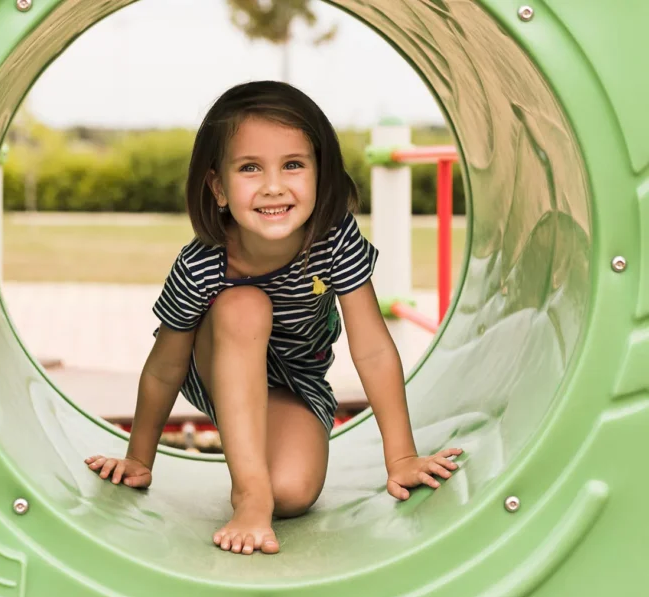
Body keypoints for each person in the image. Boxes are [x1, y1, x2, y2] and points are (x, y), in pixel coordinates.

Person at [85, 80, 462, 556]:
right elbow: (164, 366)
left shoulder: (333, 239)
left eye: (293, 165)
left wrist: (401, 456)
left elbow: (371, 347)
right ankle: (249, 495)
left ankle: (264, 486)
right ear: (218, 188)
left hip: (296, 383)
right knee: (245, 304)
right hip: (215, 361)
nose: (273, 186)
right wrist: (140, 457)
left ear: (320, 175)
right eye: (249, 168)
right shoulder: (201, 263)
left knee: (292, 492)